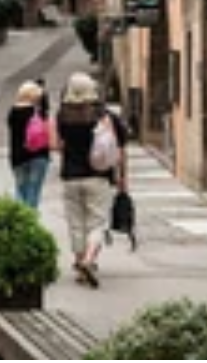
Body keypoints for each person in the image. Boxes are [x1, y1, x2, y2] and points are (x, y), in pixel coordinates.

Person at [52, 72, 123, 289]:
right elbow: (116, 146)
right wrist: (120, 176)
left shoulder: (62, 116)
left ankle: (79, 260)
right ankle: (89, 260)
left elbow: (57, 145)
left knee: (76, 222)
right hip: (98, 176)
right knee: (97, 222)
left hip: (71, 176)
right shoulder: (104, 116)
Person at [8, 82, 52, 210]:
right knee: (34, 190)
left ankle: (21, 219)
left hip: (17, 156)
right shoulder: (38, 112)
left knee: (20, 188)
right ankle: (31, 218)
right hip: (38, 154)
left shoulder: (12, 112)